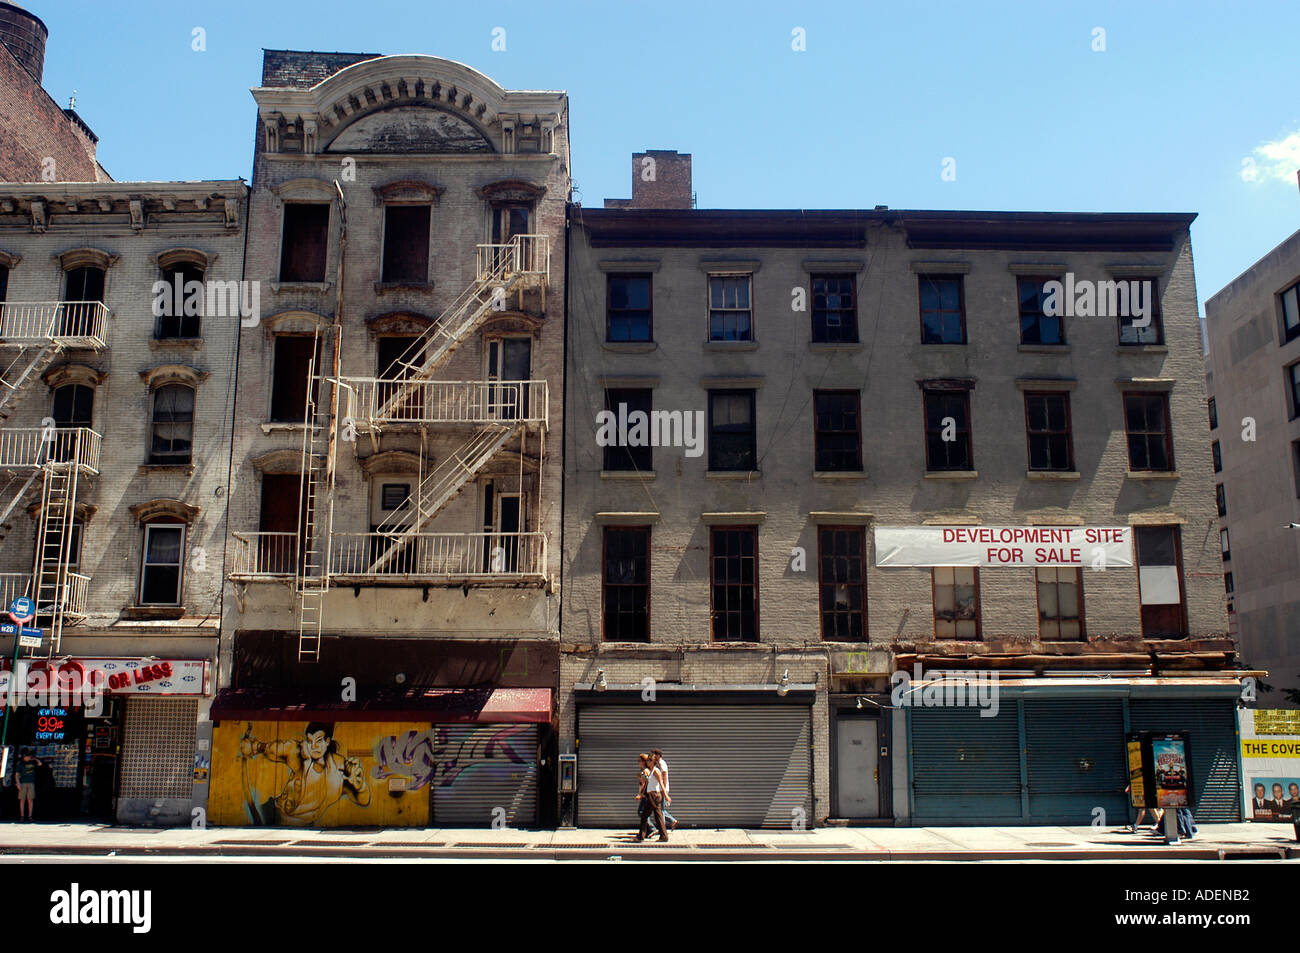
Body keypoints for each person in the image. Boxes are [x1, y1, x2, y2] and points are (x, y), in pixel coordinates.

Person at [238, 722, 370, 826]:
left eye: (318, 741)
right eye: (310, 741)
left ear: (327, 741)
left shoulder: (336, 773)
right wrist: (256, 747)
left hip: (304, 823)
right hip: (273, 814)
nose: (314, 746)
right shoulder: (298, 753)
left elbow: (363, 800)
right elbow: (277, 749)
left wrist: (361, 786)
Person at [652, 749, 678, 831]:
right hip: (661, 789)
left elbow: (664, 776)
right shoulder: (659, 764)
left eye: (654, 755)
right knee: (660, 808)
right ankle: (672, 821)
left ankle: (662, 829)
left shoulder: (662, 764)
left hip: (662, 789)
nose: (652, 756)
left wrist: (663, 789)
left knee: (660, 809)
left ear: (658, 755)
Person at [14, 749, 42, 821]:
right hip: (23, 782)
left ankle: (30, 816)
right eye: (28, 756)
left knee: (30, 799)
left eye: (30, 756)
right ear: (24, 756)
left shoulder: (32, 762)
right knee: (22, 800)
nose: (29, 757)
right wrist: (18, 783)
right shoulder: (21, 764)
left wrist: (35, 759)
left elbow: (40, 764)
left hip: (31, 782)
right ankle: (22, 816)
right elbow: (17, 775)